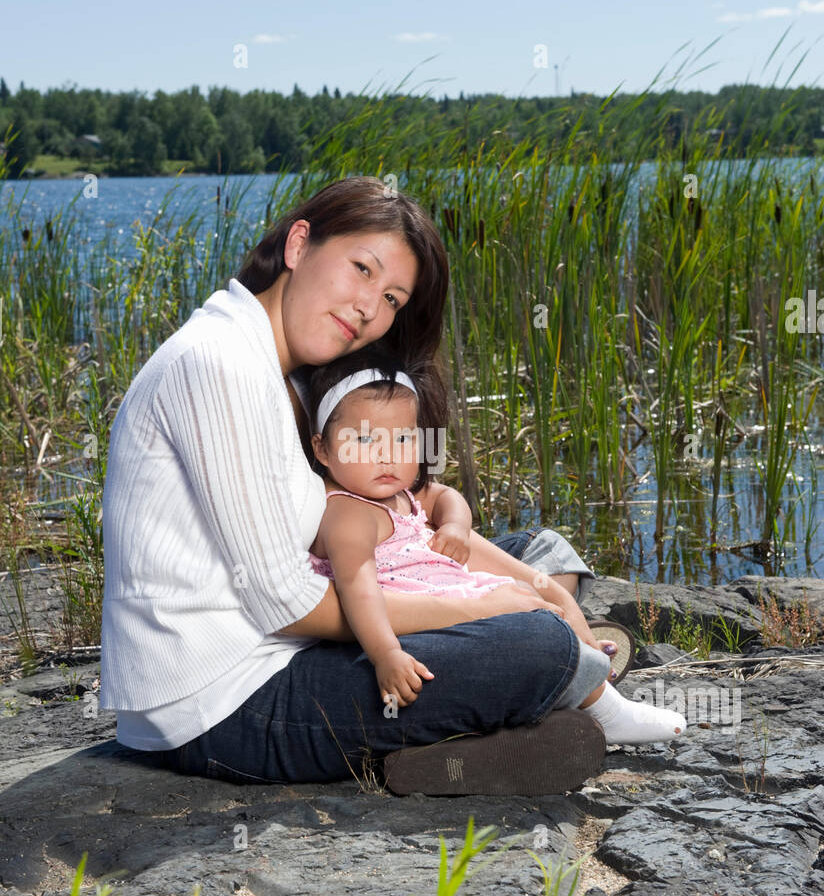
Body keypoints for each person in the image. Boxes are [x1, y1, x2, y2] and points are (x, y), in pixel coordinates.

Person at [99, 176, 639, 795]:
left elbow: (392, 530)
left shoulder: (281, 370)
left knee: (531, 552)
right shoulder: (219, 364)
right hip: (223, 703)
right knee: (535, 639)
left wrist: (491, 577)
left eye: (391, 298)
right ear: (299, 244)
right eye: (361, 269)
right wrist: (481, 605)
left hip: (291, 639)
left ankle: (504, 714)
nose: (368, 309)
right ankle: (530, 698)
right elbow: (290, 606)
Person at [303, 342, 687, 745]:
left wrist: (453, 525)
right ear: (323, 449)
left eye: (403, 440)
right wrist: (386, 654)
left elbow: (445, 496)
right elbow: (357, 590)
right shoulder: (349, 514)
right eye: (364, 441)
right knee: (526, 615)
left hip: (447, 588)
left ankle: (582, 653)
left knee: (540, 577)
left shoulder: (398, 492)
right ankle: (606, 710)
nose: (387, 457)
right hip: (413, 623)